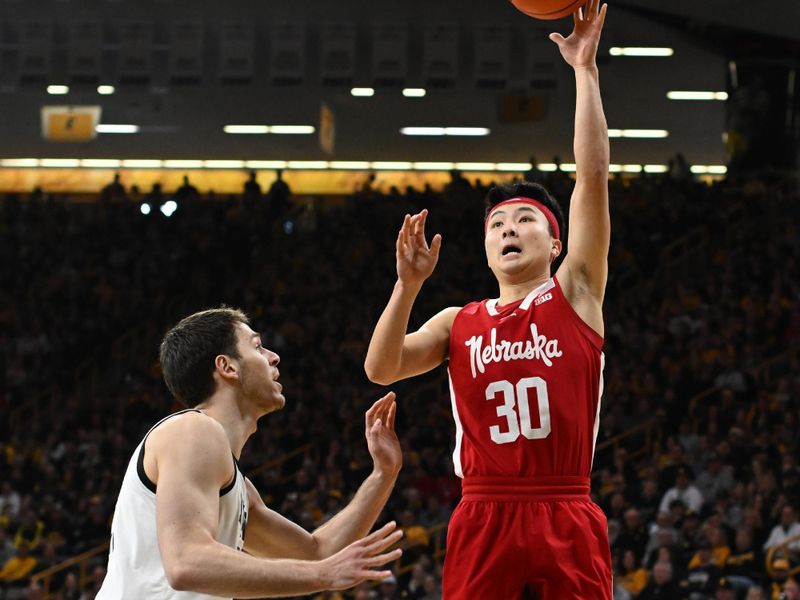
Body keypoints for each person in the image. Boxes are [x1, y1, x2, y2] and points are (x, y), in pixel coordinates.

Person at [364, 1, 611, 597]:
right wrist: (408, 286)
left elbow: (592, 177)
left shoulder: (576, 290)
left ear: (555, 242)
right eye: (497, 224)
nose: (508, 230)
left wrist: (584, 71)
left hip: (564, 504)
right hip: (483, 510)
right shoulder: (457, 320)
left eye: (525, 220)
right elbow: (381, 368)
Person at [97, 307, 403, 599]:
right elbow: (186, 562)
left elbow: (317, 552)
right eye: (257, 347)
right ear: (227, 367)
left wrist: (383, 475)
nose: (273, 357)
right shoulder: (192, 430)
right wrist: (321, 575)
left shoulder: (236, 483)